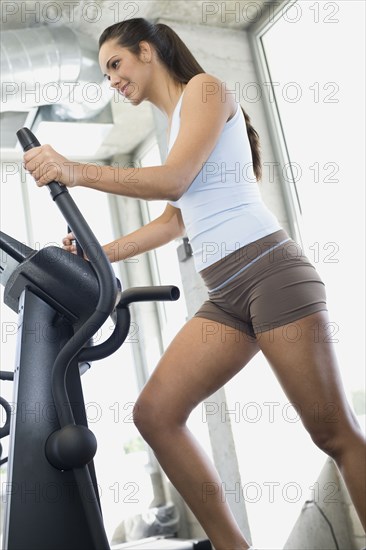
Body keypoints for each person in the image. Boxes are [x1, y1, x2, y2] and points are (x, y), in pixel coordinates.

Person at [23, 17, 365, 550]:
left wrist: (73, 169)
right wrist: (96, 253)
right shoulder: (177, 124)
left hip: (271, 273)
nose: (112, 79)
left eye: (116, 64)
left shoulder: (204, 91)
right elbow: (175, 220)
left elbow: (174, 181)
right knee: (156, 414)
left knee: (334, 434)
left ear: (147, 51)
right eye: (106, 71)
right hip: (226, 295)